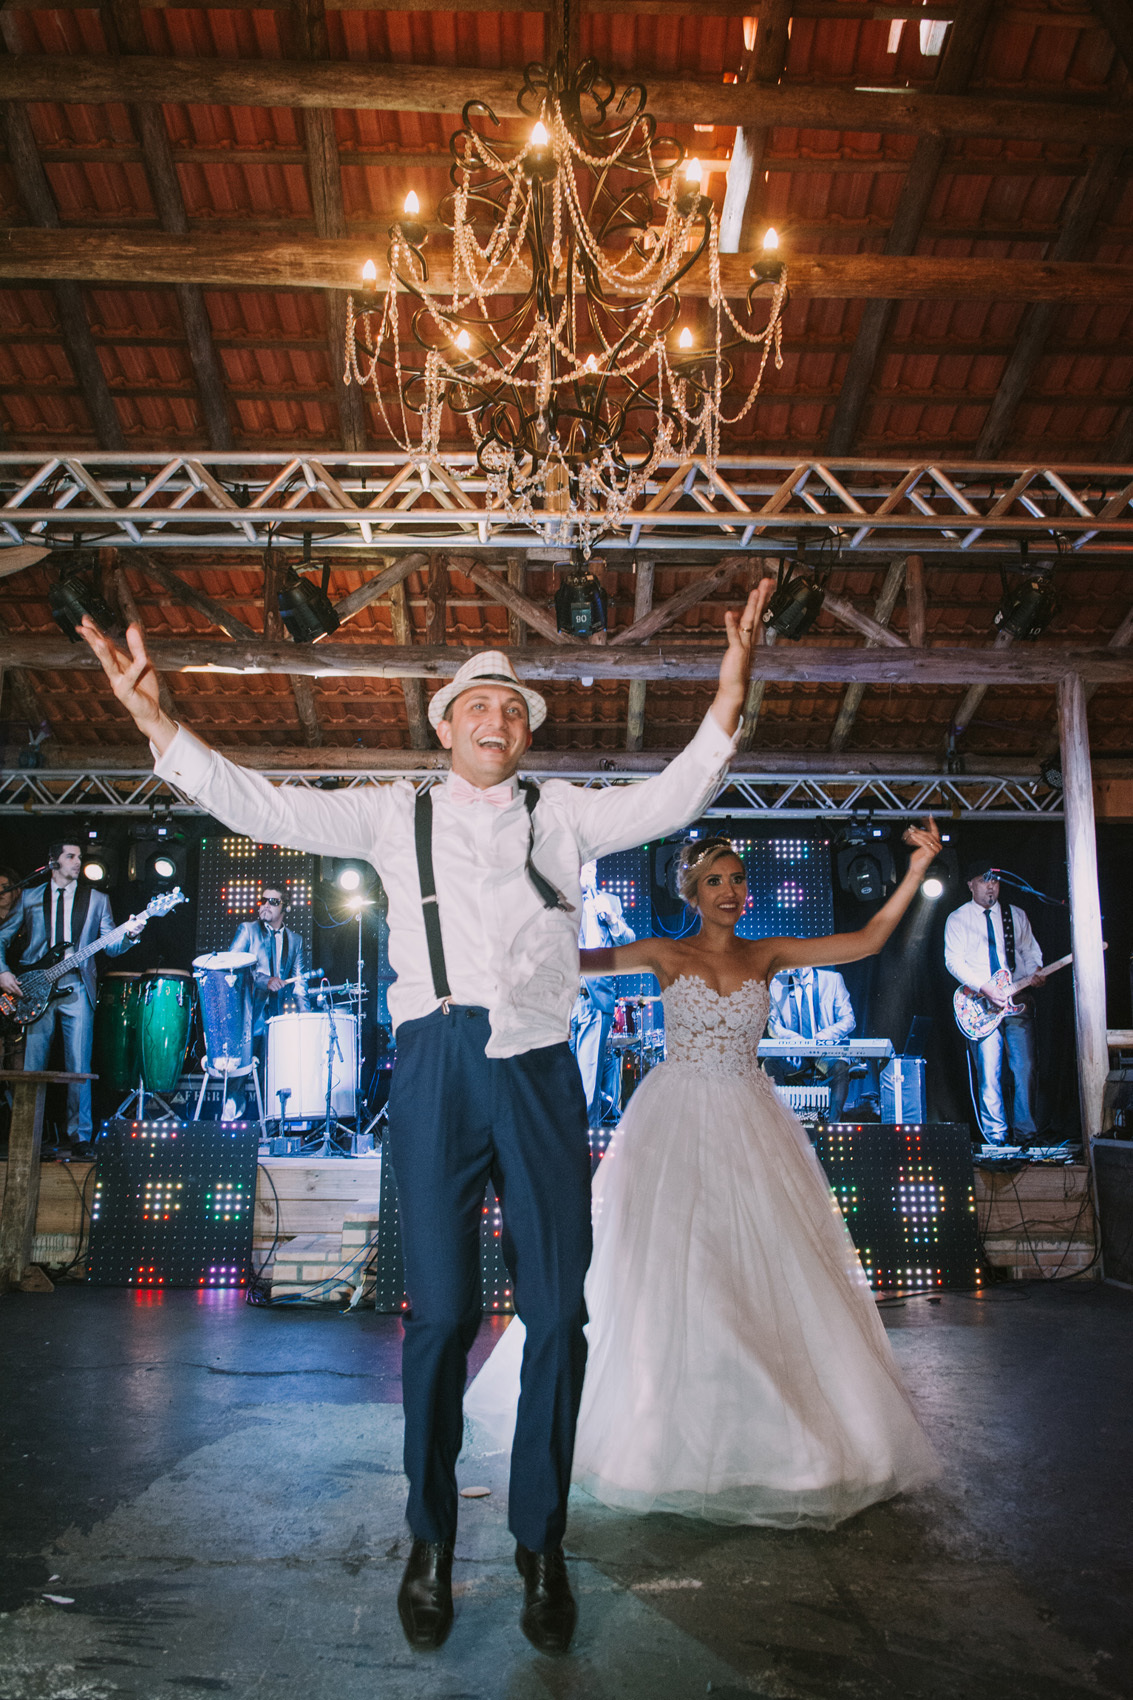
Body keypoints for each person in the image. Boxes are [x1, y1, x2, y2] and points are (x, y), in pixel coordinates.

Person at [76, 581, 768, 1657]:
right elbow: (266, 806)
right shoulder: (390, 811)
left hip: (538, 1068)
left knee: (558, 1316)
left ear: (526, 732)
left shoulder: (566, 813)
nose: (497, 718)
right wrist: (159, 724)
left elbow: (679, 789)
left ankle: (539, 1543)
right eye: (478, 705)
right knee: (440, 1318)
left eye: (513, 708)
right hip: (437, 1064)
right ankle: (430, 1540)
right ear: (443, 726)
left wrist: (730, 691)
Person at [466, 822, 942, 1528]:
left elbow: (869, 940)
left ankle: (771, 1433)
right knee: (676, 1269)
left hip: (751, 1118)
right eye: (714, 880)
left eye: (737, 879)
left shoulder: (768, 952)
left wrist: (918, 867)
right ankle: (661, 1435)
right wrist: (504, 914)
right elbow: (566, 962)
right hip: (675, 1118)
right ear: (691, 893)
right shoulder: (663, 952)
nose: (729, 891)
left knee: (760, 1268)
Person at [0, 843, 147, 1153]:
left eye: (80, 857)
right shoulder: (29, 896)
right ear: (53, 861)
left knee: (78, 1063)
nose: (78, 862)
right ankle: (27, 1136)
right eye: (71, 856)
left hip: (77, 985)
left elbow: (111, 946)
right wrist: (3, 972)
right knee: (32, 1066)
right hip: (34, 987)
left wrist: (130, 934)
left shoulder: (96, 899)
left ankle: (79, 1137)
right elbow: (3, 937)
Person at [944, 860, 1046, 1148]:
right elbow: (953, 961)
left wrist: (1035, 972)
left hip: (1016, 999)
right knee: (989, 1072)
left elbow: (1029, 952)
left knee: (1025, 1068)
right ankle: (996, 1138)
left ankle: (1026, 1134)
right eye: (984, 880)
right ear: (970, 884)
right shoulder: (958, 918)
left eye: (995, 881)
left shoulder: (1015, 915)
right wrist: (984, 987)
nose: (991, 886)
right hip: (981, 1004)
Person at [569, 860, 635, 1129]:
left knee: (589, 1083)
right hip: (562, 1000)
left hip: (595, 1000)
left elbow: (628, 942)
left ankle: (586, 1143)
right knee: (558, 1079)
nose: (590, 870)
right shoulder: (557, 899)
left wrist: (612, 919)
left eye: (593, 866)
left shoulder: (609, 901)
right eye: (585, 864)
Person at [764, 963, 856, 1119]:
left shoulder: (832, 980)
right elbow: (773, 1026)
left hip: (826, 1052)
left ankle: (833, 1124)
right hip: (796, 1054)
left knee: (840, 1067)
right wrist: (793, 1038)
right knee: (770, 1063)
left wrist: (825, 1035)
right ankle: (784, 1119)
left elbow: (848, 1020)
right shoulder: (777, 986)